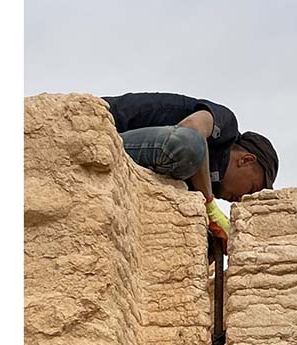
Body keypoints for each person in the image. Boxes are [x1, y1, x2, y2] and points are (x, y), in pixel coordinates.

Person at [101, 92, 278, 242]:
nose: (240, 200)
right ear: (246, 160)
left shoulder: (200, 182)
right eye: (251, 189)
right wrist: (210, 206)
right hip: (101, 135)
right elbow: (191, 128)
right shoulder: (227, 125)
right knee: (190, 146)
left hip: (116, 178)